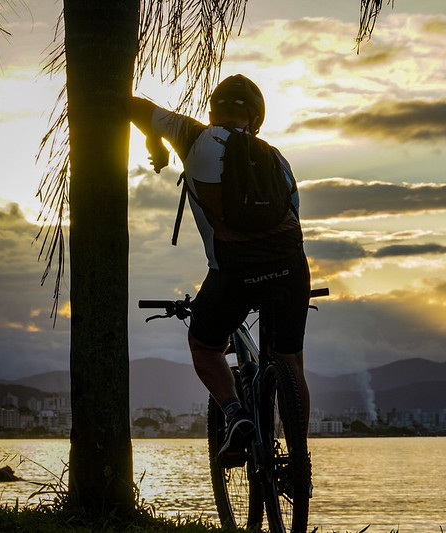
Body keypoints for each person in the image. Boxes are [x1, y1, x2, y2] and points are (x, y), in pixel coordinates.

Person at [129, 75, 311, 466]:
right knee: (291, 362)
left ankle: (235, 412)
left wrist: (154, 140)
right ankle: (300, 463)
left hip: (233, 273)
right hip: (290, 268)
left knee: (205, 346)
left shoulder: (193, 136)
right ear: (257, 119)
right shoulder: (277, 159)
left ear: (212, 111)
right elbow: (293, 219)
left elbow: (134, 106)